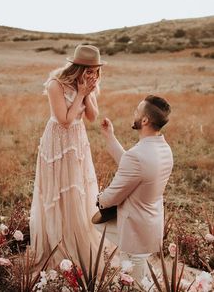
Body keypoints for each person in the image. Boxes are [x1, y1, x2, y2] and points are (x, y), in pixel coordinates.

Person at [30, 44, 106, 269]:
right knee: (59, 190)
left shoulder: (90, 85)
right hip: (57, 143)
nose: (93, 75)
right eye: (89, 70)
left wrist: (89, 94)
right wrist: (81, 94)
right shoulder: (56, 85)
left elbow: (92, 117)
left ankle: (77, 235)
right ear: (77, 67)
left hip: (77, 142)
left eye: (96, 71)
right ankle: (57, 242)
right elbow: (64, 120)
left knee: (77, 189)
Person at [93, 95, 173, 282]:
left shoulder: (137, 156)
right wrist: (110, 137)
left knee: (133, 283)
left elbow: (112, 196)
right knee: (140, 275)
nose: (134, 113)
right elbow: (133, 168)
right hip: (151, 223)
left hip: (134, 230)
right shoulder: (163, 148)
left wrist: (99, 199)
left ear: (144, 120)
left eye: (137, 110)